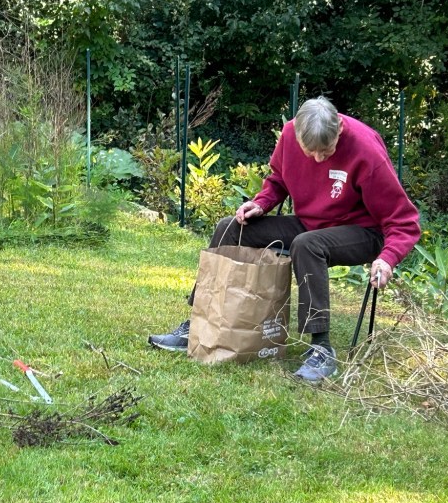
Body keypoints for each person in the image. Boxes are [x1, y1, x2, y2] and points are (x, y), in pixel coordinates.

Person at [148, 96, 420, 381]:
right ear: (296, 134)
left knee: (308, 244)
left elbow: (404, 221)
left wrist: (388, 258)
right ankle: (199, 324)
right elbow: (279, 180)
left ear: (340, 128)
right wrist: (261, 203)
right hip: (310, 223)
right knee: (230, 228)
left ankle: (322, 348)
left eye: (326, 151)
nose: (318, 159)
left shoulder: (366, 149)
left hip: (362, 231)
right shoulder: (290, 134)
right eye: (310, 152)